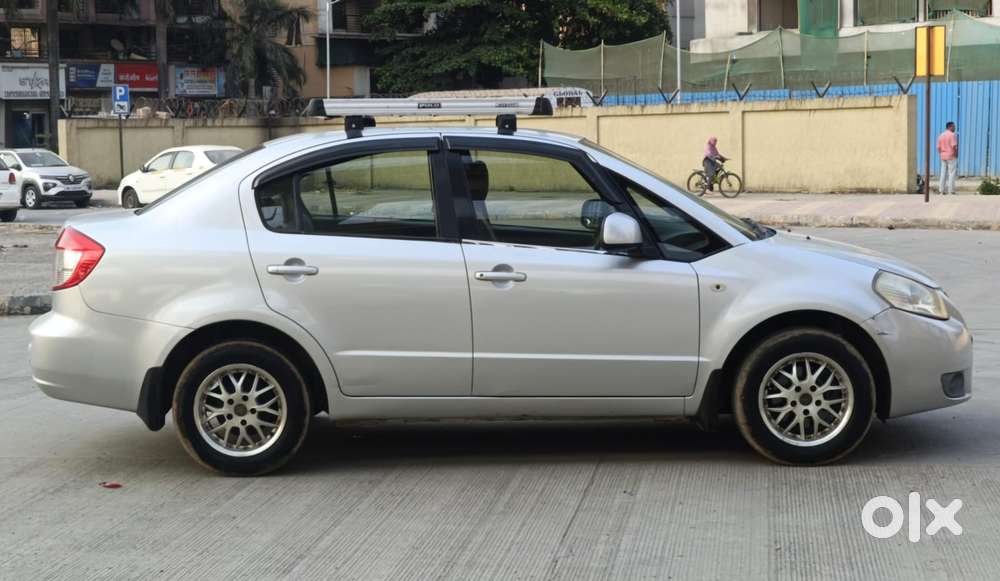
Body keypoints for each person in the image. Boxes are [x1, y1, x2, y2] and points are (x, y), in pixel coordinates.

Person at [936, 121, 958, 195]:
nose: (954, 128)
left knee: (943, 173)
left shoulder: (941, 135)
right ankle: (951, 191)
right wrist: (956, 154)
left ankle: (941, 190)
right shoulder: (952, 135)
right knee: (951, 173)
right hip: (951, 156)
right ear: (950, 127)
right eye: (953, 126)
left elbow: (938, 147)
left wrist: (942, 153)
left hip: (943, 156)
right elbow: (954, 146)